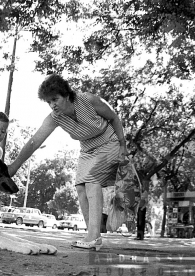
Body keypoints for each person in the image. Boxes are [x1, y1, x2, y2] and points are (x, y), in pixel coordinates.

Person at [8, 74, 127, 251]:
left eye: (55, 99)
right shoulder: (55, 118)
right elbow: (34, 142)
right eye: (49, 102)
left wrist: (123, 145)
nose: (52, 105)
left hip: (109, 141)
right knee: (80, 187)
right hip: (87, 149)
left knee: (92, 181)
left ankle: (94, 236)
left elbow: (114, 118)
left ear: (66, 95)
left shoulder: (89, 100)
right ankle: (92, 234)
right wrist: (14, 166)